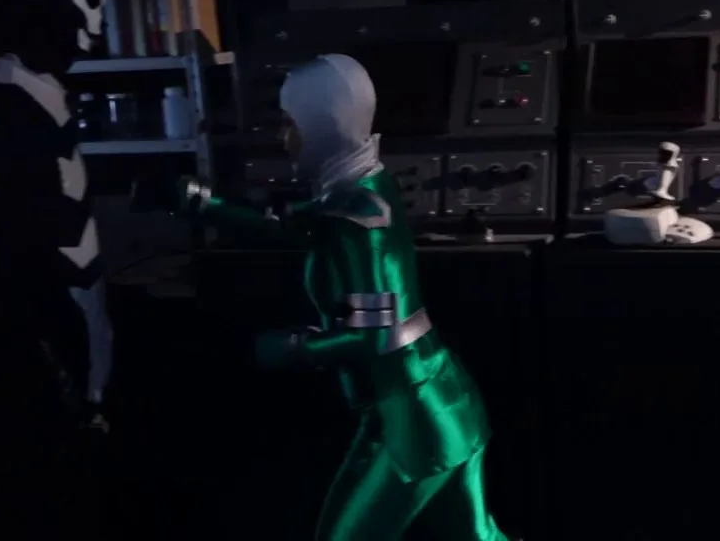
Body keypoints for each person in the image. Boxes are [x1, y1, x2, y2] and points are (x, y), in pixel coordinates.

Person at [171, 54, 514, 541]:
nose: (283, 138)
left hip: (412, 421)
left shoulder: (359, 213)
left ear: (323, 123)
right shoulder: (361, 189)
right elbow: (295, 228)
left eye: (290, 122)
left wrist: (292, 348)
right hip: (426, 404)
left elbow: (377, 335)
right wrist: (203, 204)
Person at [0, 0, 113, 433]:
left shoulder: (27, 95)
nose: (98, 21)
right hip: (50, 364)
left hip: (67, 352)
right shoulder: (6, 107)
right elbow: (19, 264)